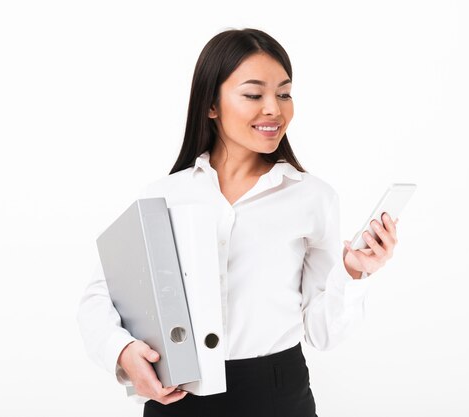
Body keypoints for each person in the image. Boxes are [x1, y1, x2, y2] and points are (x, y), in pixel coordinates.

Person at [77, 28, 399, 417]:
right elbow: (99, 298)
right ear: (211, 105)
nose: (274, 109)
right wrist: (123, 352)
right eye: (253, 94)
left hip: (278, 396)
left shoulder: (313, 198)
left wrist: (352, 273)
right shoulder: (163, 194)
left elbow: (322, 333)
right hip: (179, 396)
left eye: (283, 93)